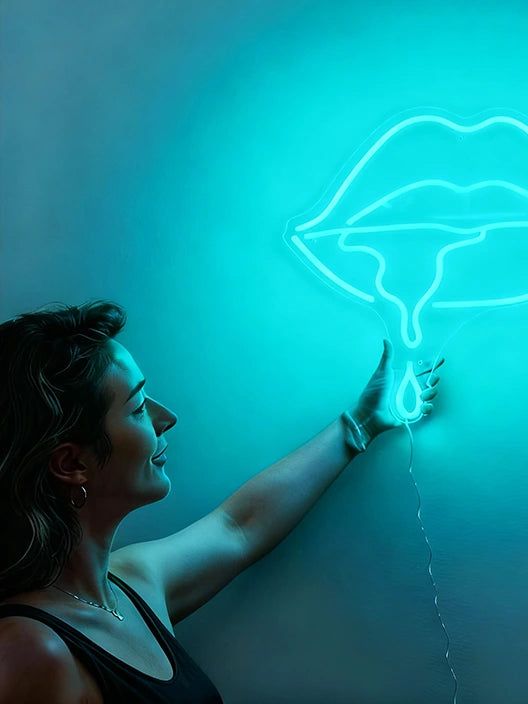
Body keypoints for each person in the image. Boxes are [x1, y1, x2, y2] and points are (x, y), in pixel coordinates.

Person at [0, 301, 443, 703]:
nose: (166, 418)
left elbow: (239, 527)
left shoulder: (131, 584)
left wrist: (359, 425)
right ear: (71, 463)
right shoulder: (30, 651)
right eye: (137, 408)